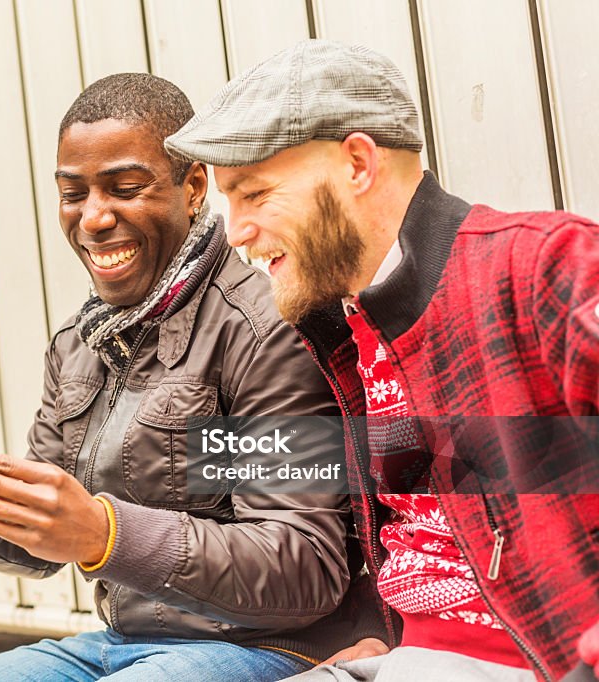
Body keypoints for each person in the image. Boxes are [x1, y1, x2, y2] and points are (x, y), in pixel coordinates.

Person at [0, 72, 385, 681]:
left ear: (194, 185)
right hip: (123, 643)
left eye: (125, 188)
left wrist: (106, 533)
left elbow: (302, 566)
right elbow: (39, 547)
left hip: (274, 646)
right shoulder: (81, 344)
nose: (93, 218)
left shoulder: (262, 330)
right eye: (73, 193)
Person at [165, 39, 599, 682]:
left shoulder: (544, 266)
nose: (234, 232)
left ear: (359, 164)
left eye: (254, 193)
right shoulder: (343, 327)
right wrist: (391, 641)